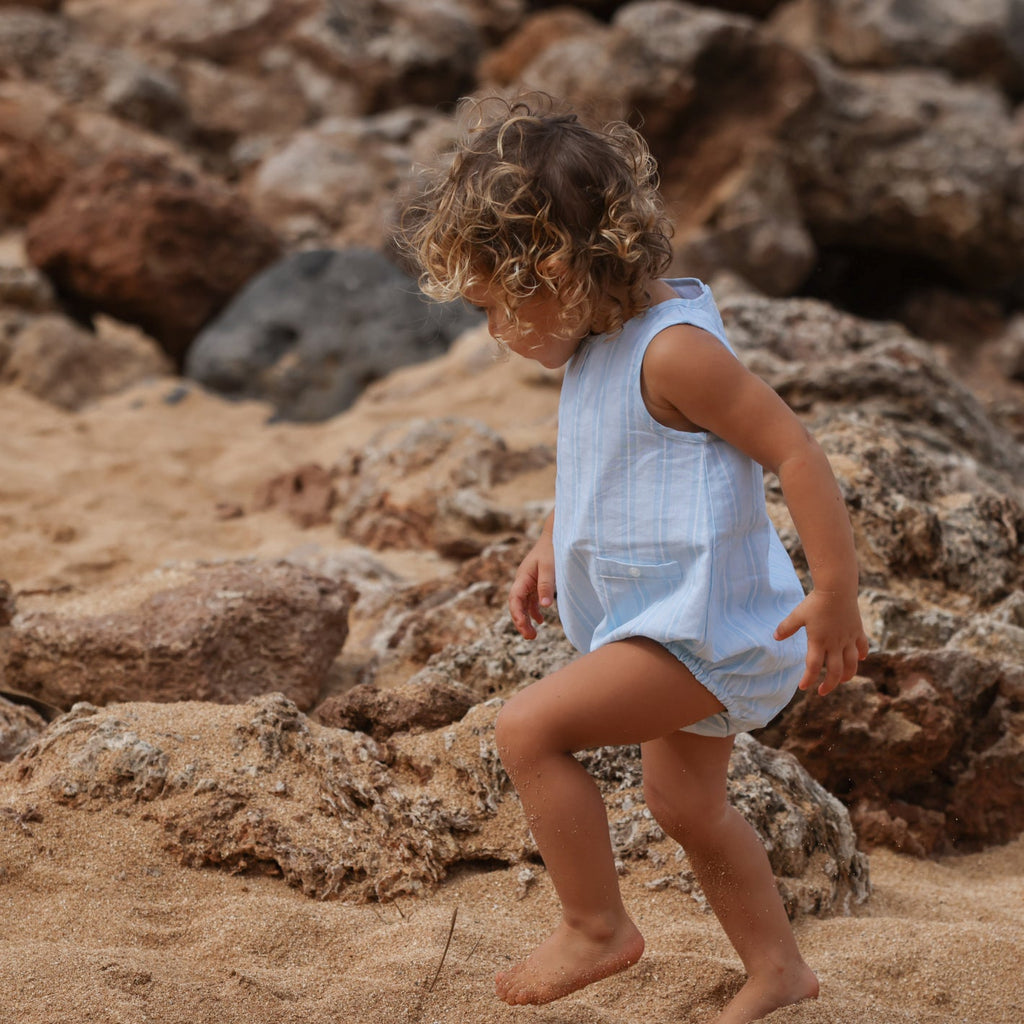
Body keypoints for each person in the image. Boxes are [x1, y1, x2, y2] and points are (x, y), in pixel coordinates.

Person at [401, 95, 869, 1024]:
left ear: (558, 271)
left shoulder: (678, 354)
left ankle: (596, 926)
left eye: (497, 306)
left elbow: (796, 451)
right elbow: (605, 465)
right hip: (659, 617)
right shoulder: (597, 343)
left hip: (701, 628)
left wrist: (836, 590)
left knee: (529, 730)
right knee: (686, 806)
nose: (495, 332)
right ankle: (779, 972)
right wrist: (548, 543)